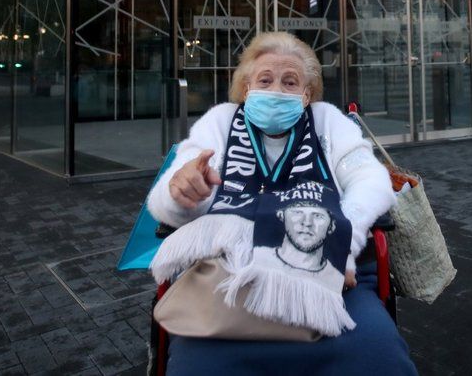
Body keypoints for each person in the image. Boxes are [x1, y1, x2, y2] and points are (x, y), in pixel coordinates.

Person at [147, 32, 417, 375]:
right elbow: (168, 202)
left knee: (380, 356)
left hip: (333, 279)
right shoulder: (220, 122)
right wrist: (182, 192)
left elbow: (371, 180)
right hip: (230, 280)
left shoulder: (326, 122)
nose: (276, 90)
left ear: (306, 94)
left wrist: (339, 247)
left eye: (290, 82)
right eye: (265, 80)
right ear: (246, 89)